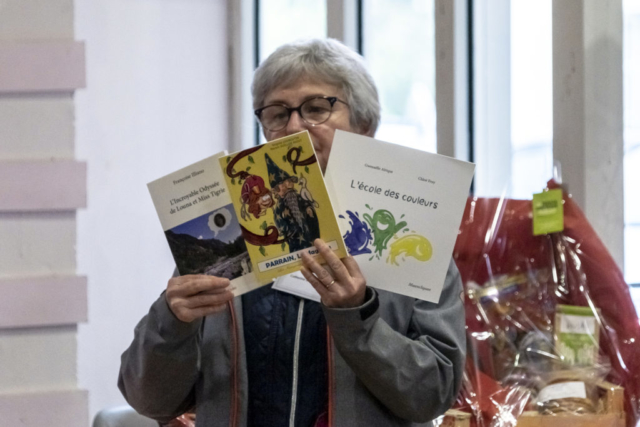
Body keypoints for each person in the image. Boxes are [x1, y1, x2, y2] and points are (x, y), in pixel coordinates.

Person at [119, 38, 466, 427]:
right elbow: (148, 400)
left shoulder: (410, 243)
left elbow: (433, 395)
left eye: (317, 109)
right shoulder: (228, 240)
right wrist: (172, 322)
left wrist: (358, 318)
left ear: (364, 126)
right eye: (277, 114)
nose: (295, 127)